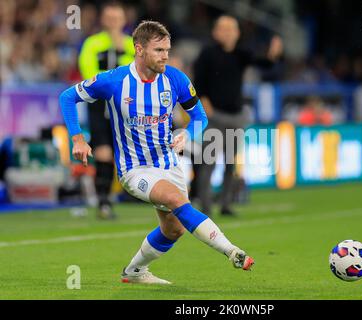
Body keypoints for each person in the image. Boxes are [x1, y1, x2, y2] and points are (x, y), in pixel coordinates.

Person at [59, 20, 254, 284]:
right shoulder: (114, 81)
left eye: (167, 50)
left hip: (168, 164)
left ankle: (134, 271)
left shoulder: (175, 79)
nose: (165, 56)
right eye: (159, 50)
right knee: (176, 200)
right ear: (139, 49)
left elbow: (200, 118)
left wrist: (188, 133)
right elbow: (67, 97)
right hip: (134, 169)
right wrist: (78, 138)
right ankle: (231, 251)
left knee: (173, 229)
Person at [192, 15, 283, 216]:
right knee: (209, 162)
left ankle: (225, 204)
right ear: (215, 32)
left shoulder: (241, 54)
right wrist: (205, 105)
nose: (227, 32)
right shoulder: (207, 54)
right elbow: (198, 83)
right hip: (214, 117)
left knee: (230, 163)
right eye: (223, 28)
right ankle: (205, 206)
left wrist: (273, 54)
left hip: (236, 117)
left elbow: (263, 62)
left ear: (237, 33)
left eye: (231, 28)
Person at [78, 1, 135, 219]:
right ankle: (103, 201)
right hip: (101, 104)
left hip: (127, 106)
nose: (113, 22)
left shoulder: (132, 44)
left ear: (123, 20)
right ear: (103, 20)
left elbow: (141, 70)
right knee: (103, 150)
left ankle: (135, 193)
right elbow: (88, 71)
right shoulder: (93, 43)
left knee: (123, 152)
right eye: (109, 18)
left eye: (117, 18)